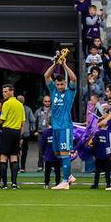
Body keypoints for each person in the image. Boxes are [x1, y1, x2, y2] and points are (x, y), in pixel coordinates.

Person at [46, 53, 78, 190]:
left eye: (61, 84)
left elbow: (74, 78)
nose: (59, 86)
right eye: (58, 84)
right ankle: (69, 175)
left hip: (65, 127)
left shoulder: (70, 92)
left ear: (65, 83)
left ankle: (65, 182)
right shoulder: (53, 90)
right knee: (58, 153)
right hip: (56, 127)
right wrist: (55, 63)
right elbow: (46, 76)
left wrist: (64, 64)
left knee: (65, 153)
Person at [0, 83, 25, 190]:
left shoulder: (7, 104)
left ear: (12, 91)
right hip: (16, 132)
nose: (4, 94)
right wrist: (20, 136)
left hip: (7, 131)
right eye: (3, 92)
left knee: (3, 157)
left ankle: (3, 183)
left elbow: (2, 119)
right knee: (14, 157)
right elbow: (22, 123)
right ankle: (14, 183)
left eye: (6, 91)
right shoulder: (20, 105)